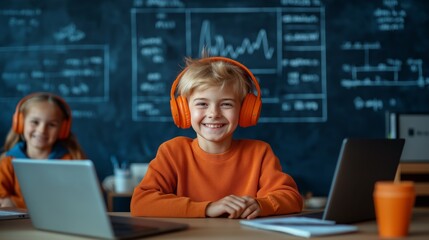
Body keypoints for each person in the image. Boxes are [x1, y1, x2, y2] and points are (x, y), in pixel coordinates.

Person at [131, 55, 303, 219]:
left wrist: (261, 205)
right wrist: (208, 207)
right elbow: (141, 202)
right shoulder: (173, 152)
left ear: (244, 111)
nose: (214, 114)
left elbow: (291, 198)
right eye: (202, 104)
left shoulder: (259, 153)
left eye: (226, 104)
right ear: (183, 110)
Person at [0, 92, 86, 208]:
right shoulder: (7, 162)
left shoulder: (72, 161)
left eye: (52, 125)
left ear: (62, 130)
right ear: (20, 123)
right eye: (35, 122)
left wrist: (16, 203)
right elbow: (2, 201)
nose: (41, 130)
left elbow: (79, 201)